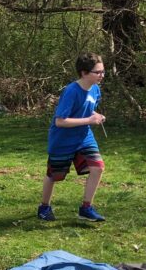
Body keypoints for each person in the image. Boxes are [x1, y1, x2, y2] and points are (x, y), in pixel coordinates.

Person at [38, 53, 107, 222]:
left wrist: (96, 115)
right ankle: (44, 207)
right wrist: (90, 120)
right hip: (62, 140)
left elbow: (86, 109)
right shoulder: (71, 91)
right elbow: (60, 121)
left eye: (103, 71)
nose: (101, 75)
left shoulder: (95, 89)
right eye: (97, 72)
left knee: (97, 167)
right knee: (54, 175)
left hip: (83, 137)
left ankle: (86, 208)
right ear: (84, 73)